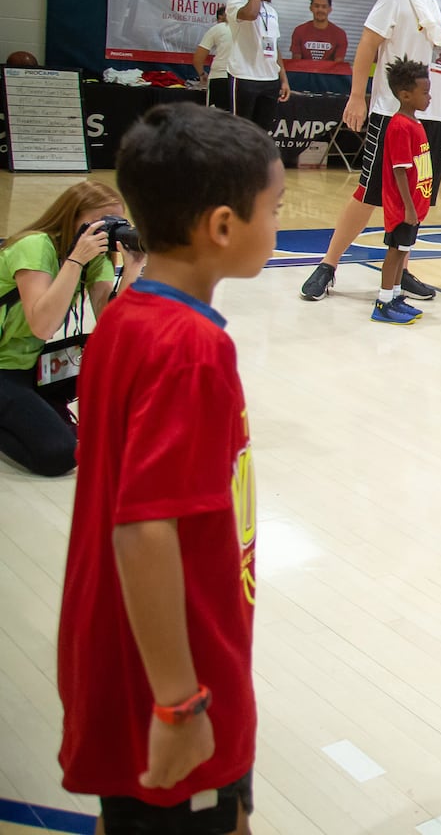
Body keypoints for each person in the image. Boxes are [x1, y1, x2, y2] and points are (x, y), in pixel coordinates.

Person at [56, 103, 284, 835]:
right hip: (167, 673)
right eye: (274, 208)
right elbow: (142, 533)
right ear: (222, 226)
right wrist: (179, 703)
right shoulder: (190, 350)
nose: (280, 222)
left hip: (140, 654)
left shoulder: (124, 318)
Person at [298, 0, 441, 302]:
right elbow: (368, 44)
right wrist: (356, 96)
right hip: (392, 115)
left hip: (434, 118)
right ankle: (328, 265)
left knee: (418, 198)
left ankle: (401, 269)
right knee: (369, 193)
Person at [0, 182, 144, 476]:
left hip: (30, 364)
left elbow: (113, 327)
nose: (109, 231)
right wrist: (75, 260)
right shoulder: (35, 246)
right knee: (59, 454)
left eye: (118, 223)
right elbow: (42, 326)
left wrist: (131, 270)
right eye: (102, 223)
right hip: (5, 366)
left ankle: (34, 405)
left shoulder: (96, 258)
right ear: (72, 219)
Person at [372, 57, 434, 325]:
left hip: (413, 206)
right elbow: (399, 170)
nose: (429, 97)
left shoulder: (415, 123)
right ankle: (383, 302)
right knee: (395, 252)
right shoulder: (399, 126)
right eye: (425, 92)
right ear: (405, 95)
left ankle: (396, 296)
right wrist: (408, 206)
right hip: (401, 207)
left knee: (403, 251)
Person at [225, 0, 290, 131]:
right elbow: (251, 14)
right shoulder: (236, 3)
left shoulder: (272, 11)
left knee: (263, 132)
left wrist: (284, 79)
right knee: (241, 130)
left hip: (269, 79)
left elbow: (274, 47)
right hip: (244, 76)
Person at [289, 0, 349, 65]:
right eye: (317, 6)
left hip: (329, 76)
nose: (320, 10)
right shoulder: (299, 31)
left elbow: (338, 66)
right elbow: (296, 63)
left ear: (330, 9)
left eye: (324, 7)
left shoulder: (340, 34)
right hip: (304, 75)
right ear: (311, 8)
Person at [192, 6, 233, 112]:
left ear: (220, 17)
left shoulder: (218, 28)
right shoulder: (248, 28)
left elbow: (198, 59)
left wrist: (202, 74)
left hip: (220, 77)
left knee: (216, 120)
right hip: (244, 79)